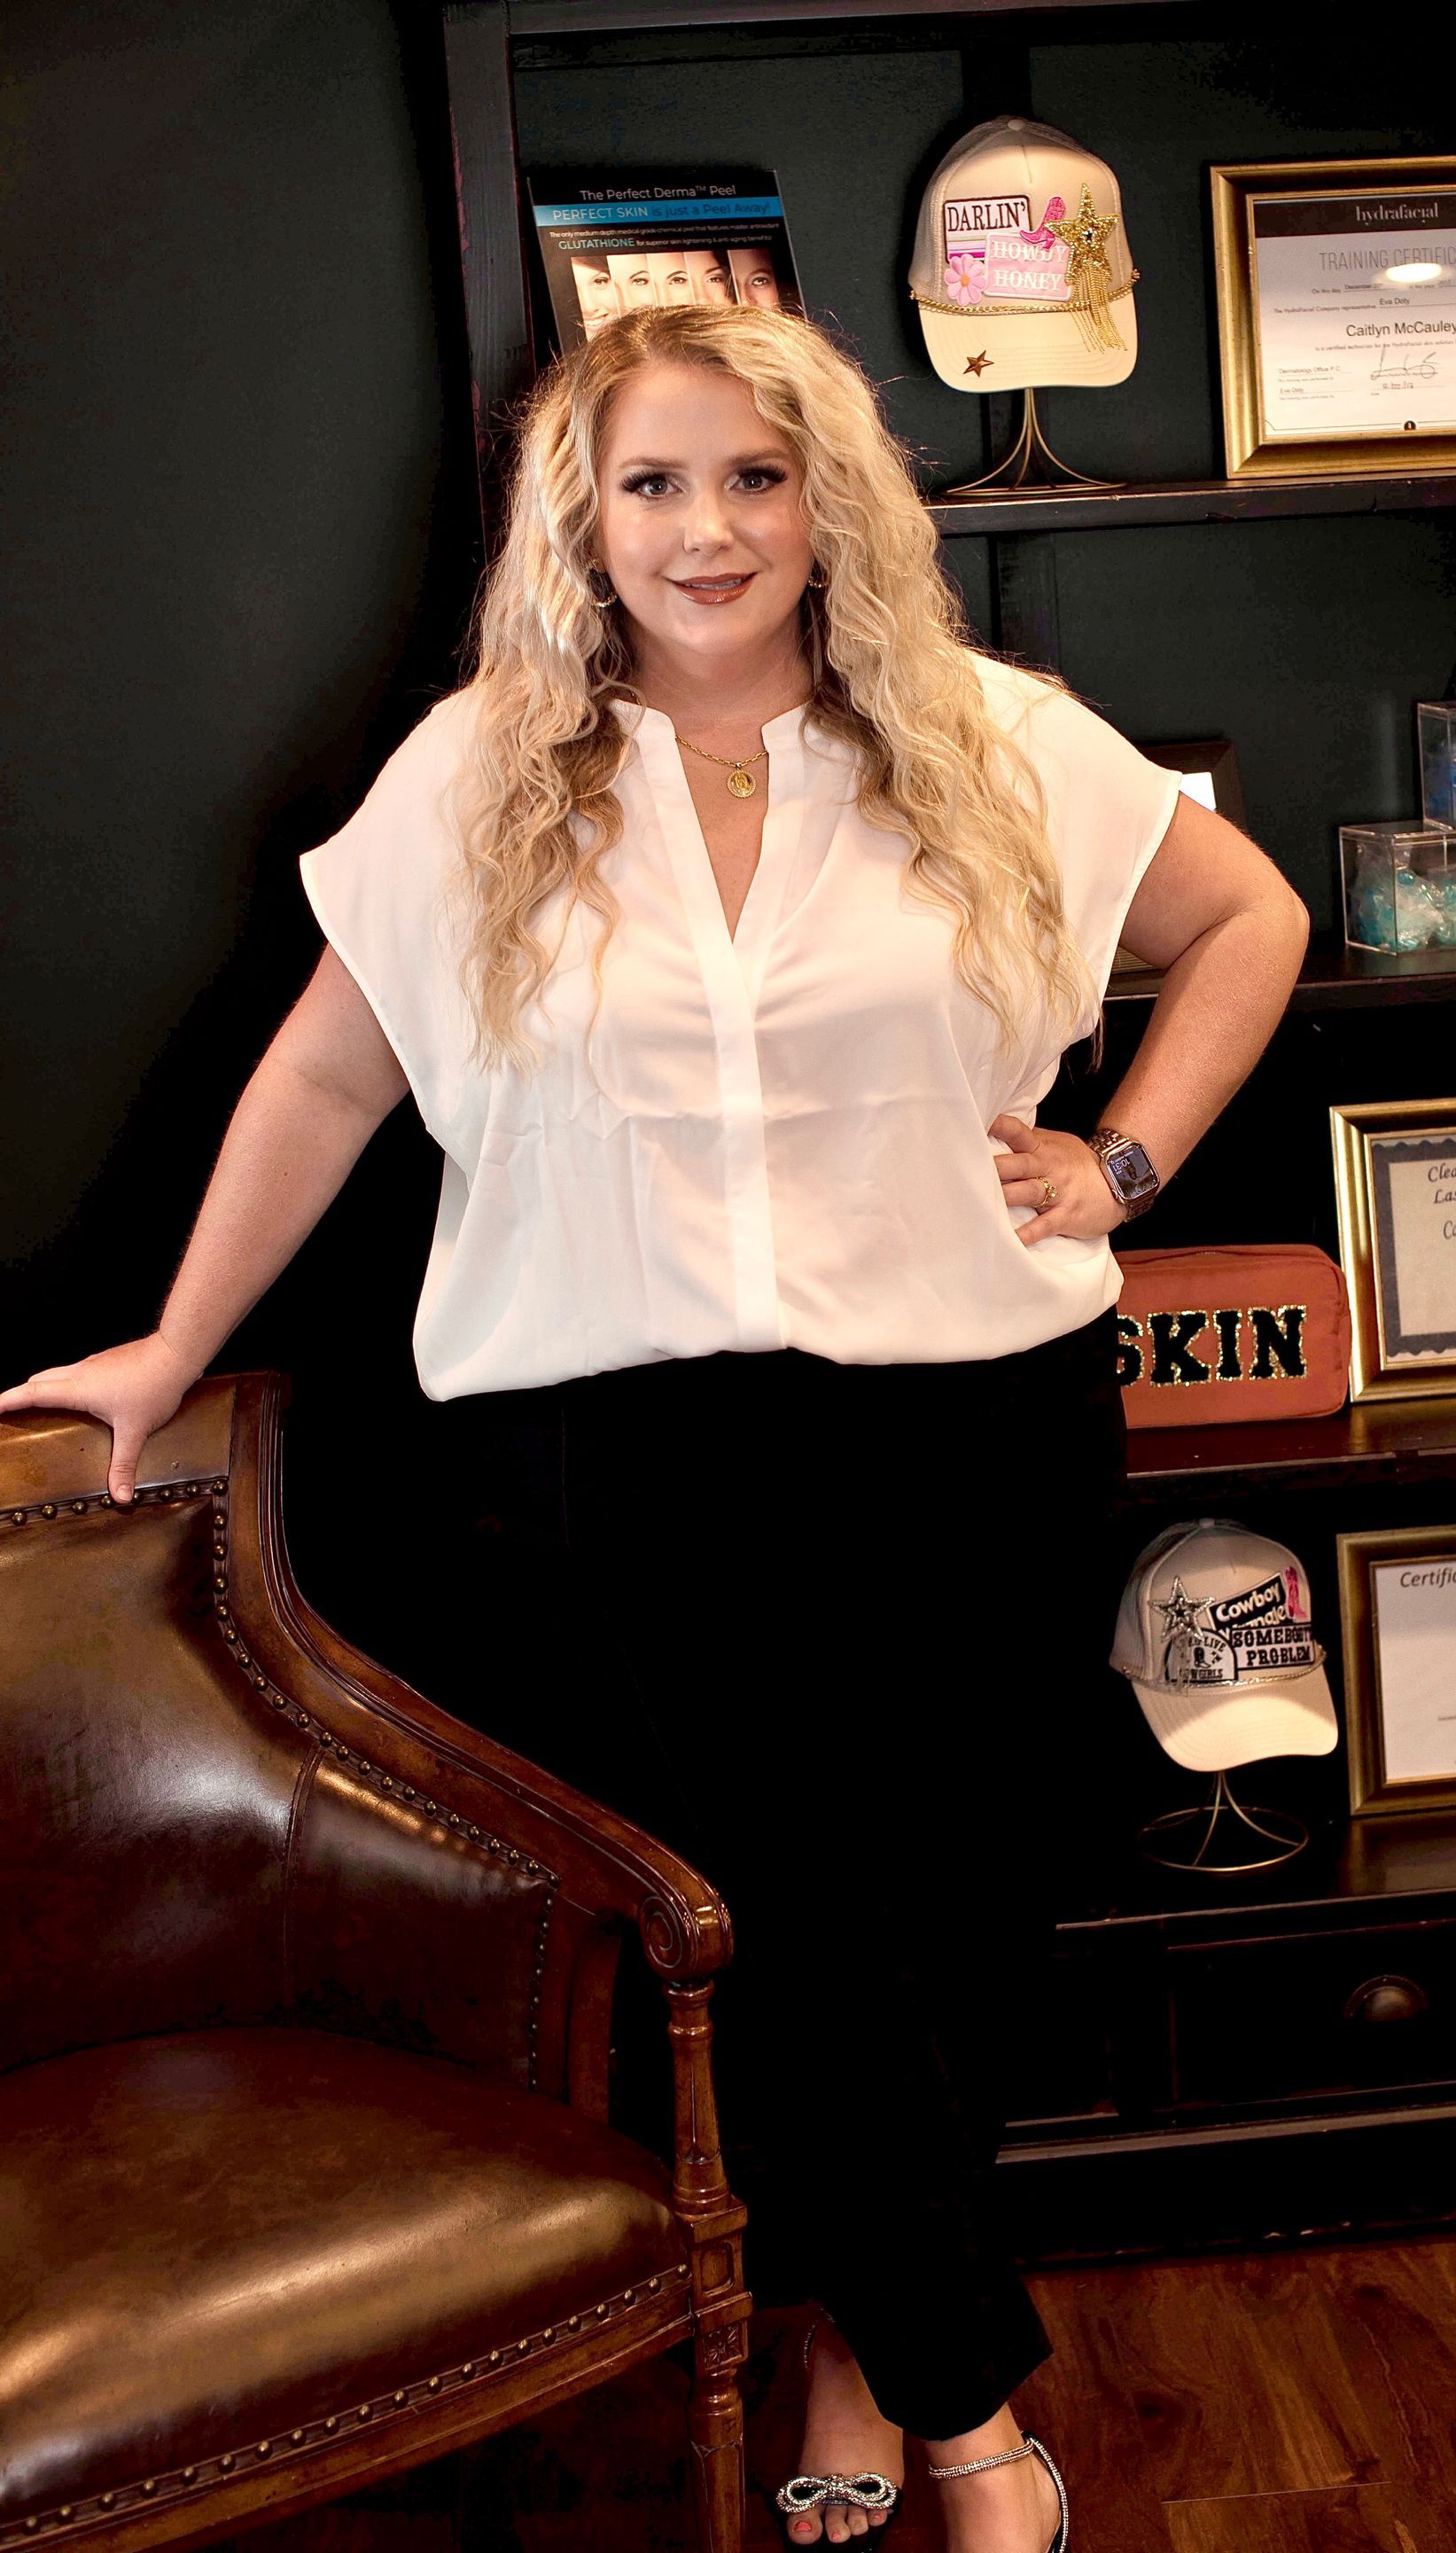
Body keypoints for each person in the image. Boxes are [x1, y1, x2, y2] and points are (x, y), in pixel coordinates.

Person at [0, 301, 1308, 2552]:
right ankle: (982, 2422)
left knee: (965, 1915)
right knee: (785, 1918)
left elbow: (1251, 913)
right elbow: (327, 1075)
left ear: (831, 505)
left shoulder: (991, 742)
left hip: (977, 1428)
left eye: (755, 478)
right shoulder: (480, 774)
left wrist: (1124, 1164)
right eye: (653, 484)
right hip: (632, 1461)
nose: (708, 528)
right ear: (579, 526)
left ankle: (849, 2341)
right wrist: (165, 1339)